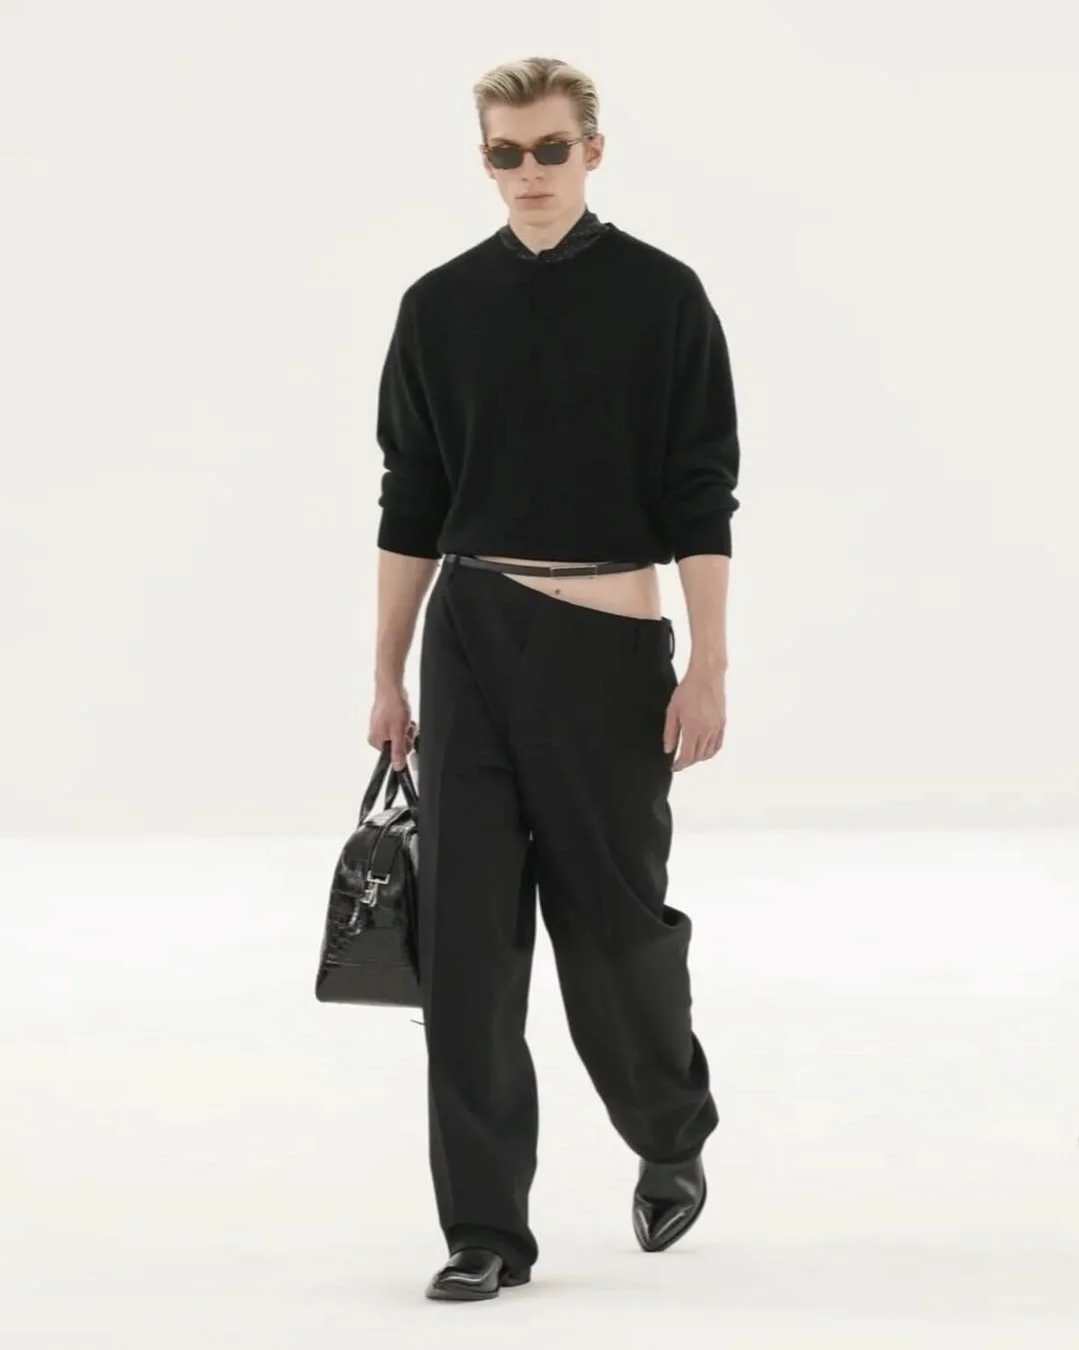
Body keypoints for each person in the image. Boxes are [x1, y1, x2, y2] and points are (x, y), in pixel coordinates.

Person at [367, 55, 740, 1302]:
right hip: (469, 635)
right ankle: (483, 1230)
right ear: (482, 159)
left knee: (614, 932)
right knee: (465, 949)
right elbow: (411, 498)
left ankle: (668, 1129)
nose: (526, 172)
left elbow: (699, 490)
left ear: (591, 150)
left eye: (548, 148)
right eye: (503, 153)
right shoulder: (437, 306)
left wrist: (707, 663)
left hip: (605, 647)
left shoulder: (661, 297)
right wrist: (386, 674)